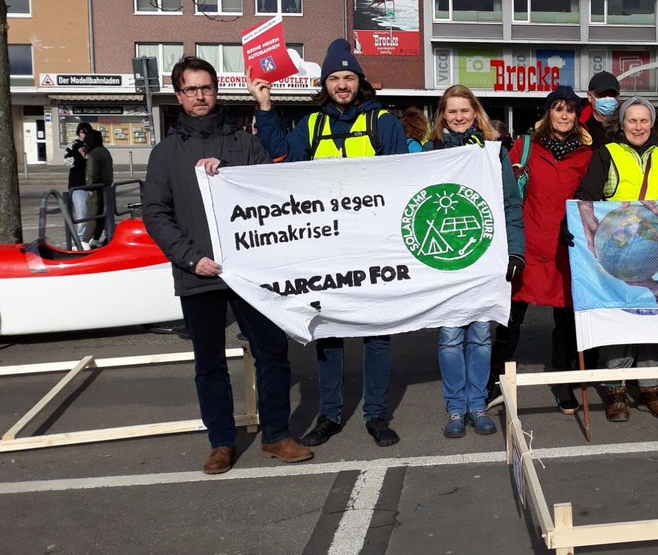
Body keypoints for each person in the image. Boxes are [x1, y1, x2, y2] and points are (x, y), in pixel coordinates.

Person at [142, 56, 312, 474]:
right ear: (178, 96)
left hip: (248, 272)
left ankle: (276, 435)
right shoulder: (166, 152)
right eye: (190, 89)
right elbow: (155, 213)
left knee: (272, 351)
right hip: (197, 271)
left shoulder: (243, 142)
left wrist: (230, 172)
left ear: (216, 90)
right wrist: (189, 257)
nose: (199, 96)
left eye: (206, 87)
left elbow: (266, 195)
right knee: (210, 361)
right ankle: (221, 442)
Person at [251, 38, 408, 448]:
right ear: (325, 83)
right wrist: (265, 108)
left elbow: (404, 179)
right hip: (326, 249)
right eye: (335, 78)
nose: (342, 84)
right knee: (328, 334)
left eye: (348, 77)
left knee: (377, 333)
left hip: (374, 246)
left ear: (359, 81)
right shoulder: (312, 125)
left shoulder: (383, 123)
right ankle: (330, 414)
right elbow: (282, 160)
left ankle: (376, 415)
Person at [576, 97, 658, 422]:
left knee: (652, 318)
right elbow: (585, 194)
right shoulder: (607, 153)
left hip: (653, 247)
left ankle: (651, 388)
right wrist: (582, 217)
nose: (638, 126)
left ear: (652, 124)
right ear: (621, 124)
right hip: (618, 249)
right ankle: (615, 390)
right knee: (620, 320)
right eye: (632, 120)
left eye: (644, 120)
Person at [426, 84, 526, 438]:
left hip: (486, 252)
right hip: (445, 255)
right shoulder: (430, 150)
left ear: (475, 113)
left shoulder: (492, 152)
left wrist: (516, 250)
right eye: (451, 111)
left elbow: (510, 203)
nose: (457, 117)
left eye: (463, 111)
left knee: (481, 334)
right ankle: (455, 408)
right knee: (451, 335)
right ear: (442, 115)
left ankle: (477, 403)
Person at [490, 85, 592, 414]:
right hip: (527, 244)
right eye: (558, 108)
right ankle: (495, 380)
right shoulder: (525, 146)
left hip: (566, 247)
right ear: (548, 112)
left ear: (577, 116)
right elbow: (503, 189)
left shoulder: (586, 153)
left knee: (565, 323)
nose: (564, 115)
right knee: (510, 318)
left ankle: (564, 384)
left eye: (570, 109)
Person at [81, 129, 113, 247]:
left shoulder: (94, 154)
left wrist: (89, 187)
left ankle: (85, 242)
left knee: (92, 215)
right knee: (101, 215)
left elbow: (91, 173)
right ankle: (95, 238)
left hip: (96, 188)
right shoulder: (105, 151)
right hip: (107, 187)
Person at [64, 122, 94, 244]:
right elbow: (68, 161)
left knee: (94, 212)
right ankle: (81, 238)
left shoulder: (93, 146)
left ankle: (93, 237)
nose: (85, 135)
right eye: (82, 132)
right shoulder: (73, 145)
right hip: (78, 185)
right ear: (78, 133)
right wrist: (79, 153)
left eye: (87, 132)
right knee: (81, 212)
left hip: (92, 185)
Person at [583, 71, 621, 148]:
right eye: (602, 94)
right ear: (590, 97)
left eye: (612, 94)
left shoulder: (625, 127)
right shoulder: (582, 130)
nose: (607, 99)